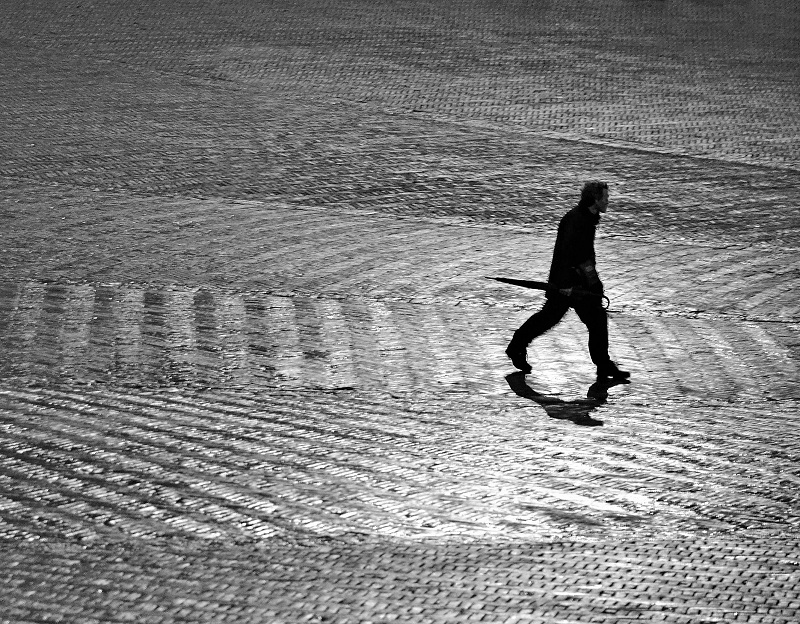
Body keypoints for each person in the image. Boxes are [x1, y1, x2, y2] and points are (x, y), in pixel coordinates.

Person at [505, 181, 630, 381]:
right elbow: (567, 255)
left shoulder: (586, 218)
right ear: (595, 199)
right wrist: (565, 286)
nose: (608, 201)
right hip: (569, 284)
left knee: (579, 318)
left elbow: (583, 256)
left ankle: (602, 364)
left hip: (576, 283)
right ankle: (517, 345)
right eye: (605, 197)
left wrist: (593, 283)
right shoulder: (576, 220)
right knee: (557, 318)